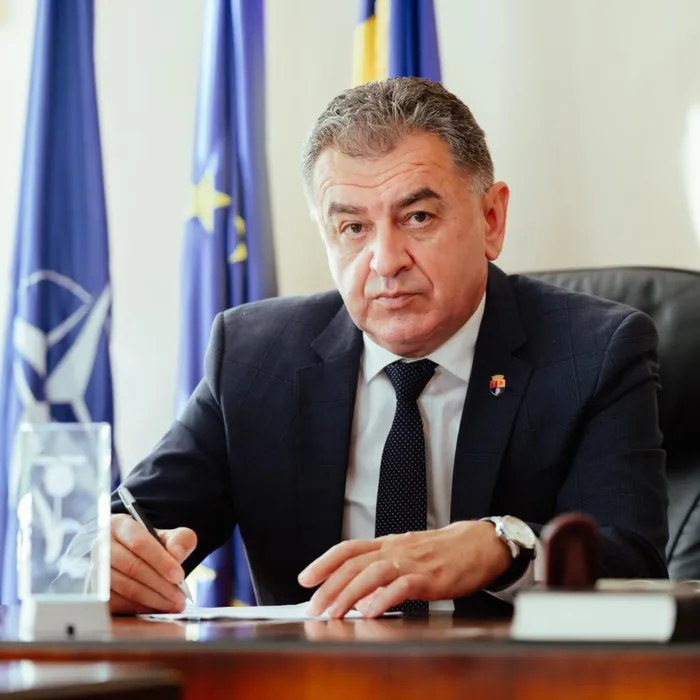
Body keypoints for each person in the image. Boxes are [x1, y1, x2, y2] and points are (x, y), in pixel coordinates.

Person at [110, 77, 668, 618]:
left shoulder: (594, 352)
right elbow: (132, 522)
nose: (385, 261)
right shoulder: (255, 356)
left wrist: (503, 548)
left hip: (505, 671)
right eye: (353, 228)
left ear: (491, 219)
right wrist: (107, 557)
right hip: (314, 672)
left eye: (418, 217)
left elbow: (633, 566)